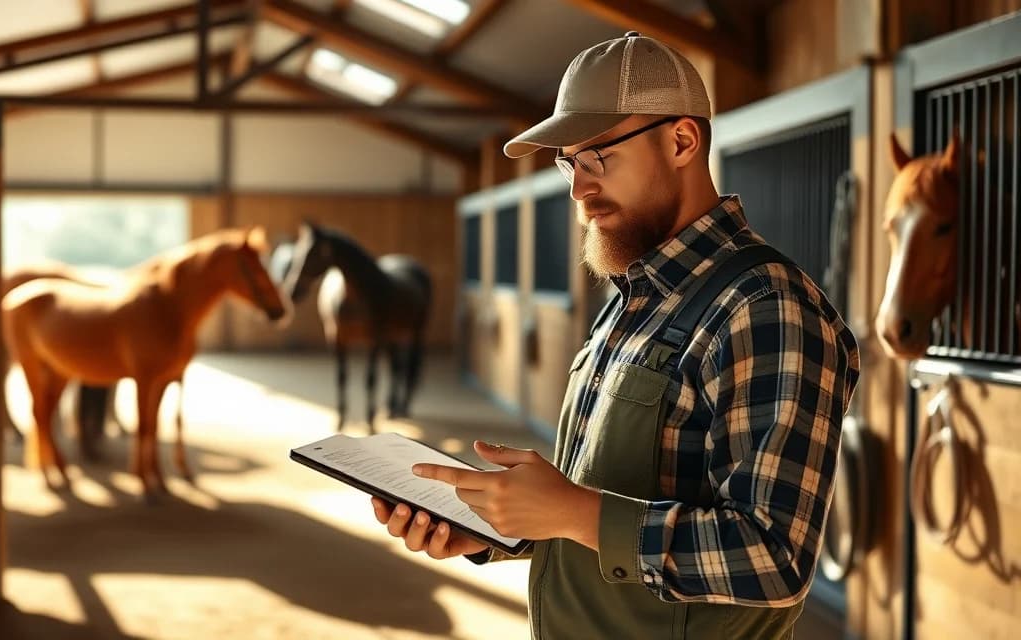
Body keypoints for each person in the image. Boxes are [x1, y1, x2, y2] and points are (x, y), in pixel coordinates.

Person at [369, 31, 861, 639]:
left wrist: (575, 511)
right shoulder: (633, 297)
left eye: (598, 158)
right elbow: (612, 508)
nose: (578, 189)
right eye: (569, 163)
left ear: (682, 141)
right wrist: (505, 526)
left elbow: (774, 556)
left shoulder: (767, 308)